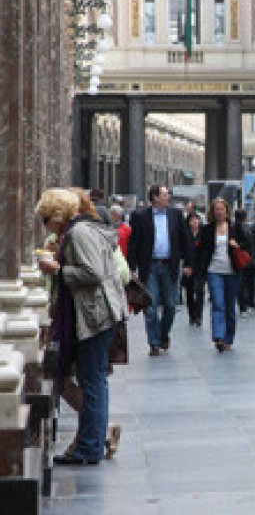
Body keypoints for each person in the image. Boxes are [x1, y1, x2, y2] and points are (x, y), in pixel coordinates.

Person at [36, 188, 127, 465]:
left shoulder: (79, 233)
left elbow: (92, 272)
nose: (45, 226)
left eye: (46, 219)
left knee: (92, 381)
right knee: (93, 380)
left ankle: (89, 447)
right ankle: (92, 442)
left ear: (57, 215)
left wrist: (58, 270)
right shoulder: (80, 230)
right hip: (96, 313)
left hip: (95, 315)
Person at [127, 185, 194, 357]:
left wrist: (188, 262)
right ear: (155, 198)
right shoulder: (140, 216)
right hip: (149, 266)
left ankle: (163, 334)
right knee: (150, 305)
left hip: (170, 265)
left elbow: (185, 239)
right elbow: (134, 243)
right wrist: (131, 267)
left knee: (171, 305)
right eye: (165, 194)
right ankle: (154, 343)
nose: (168, 197)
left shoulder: (176, 215)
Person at [197, 198, 250, 352]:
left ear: (227, 211)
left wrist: (237, 245)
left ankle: (228, 337)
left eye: (221, 209)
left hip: (233, 271)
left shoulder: (236, 228)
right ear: (212, 212)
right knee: (218, 303)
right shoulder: (207, 229)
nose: (219, 212)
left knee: (229, 306)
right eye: (216, 209)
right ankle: (218, 336)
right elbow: (201, 250)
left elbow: (248, 243)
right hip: (214, 270)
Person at [183, 213, 204, 327]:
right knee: (190, 292)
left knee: (200, 291)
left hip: (200, 267)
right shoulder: (185, 234)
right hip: (188, 267)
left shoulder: (203, 234)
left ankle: (198, 316)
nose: (195, 222)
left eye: (197, 220)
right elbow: (182, 251)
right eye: (192, 220)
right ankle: (192, 315)